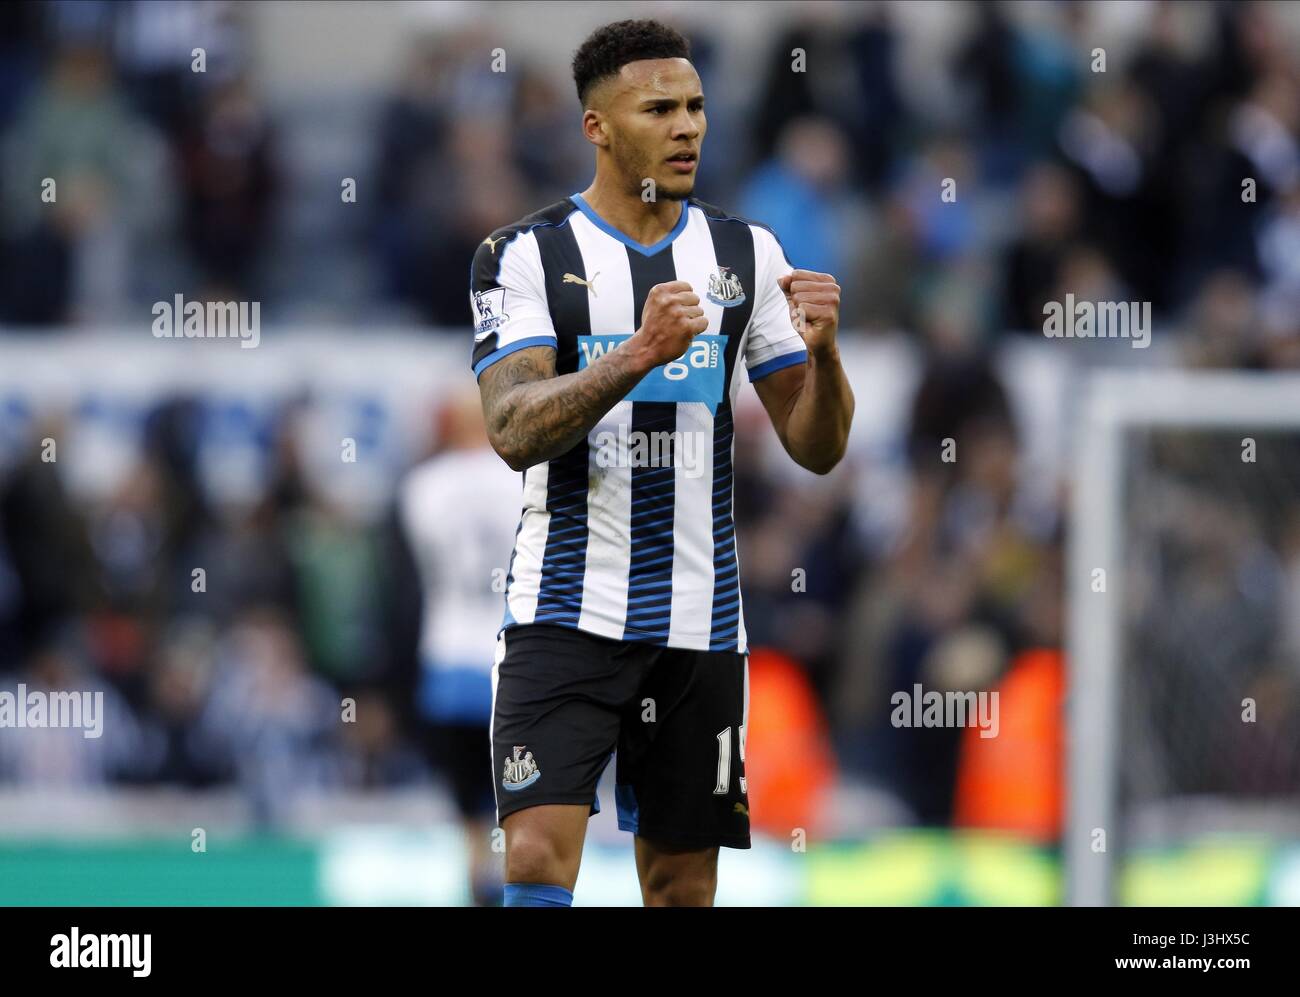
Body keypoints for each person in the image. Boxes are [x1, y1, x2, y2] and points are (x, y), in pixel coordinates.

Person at [468, 19, 854, 907]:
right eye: (660, 109)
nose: (687, 128)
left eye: (696, 107)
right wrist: (634, 355)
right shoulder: (523, 255)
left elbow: (817, 446)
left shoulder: (744, 255)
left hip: (699, 620)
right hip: (563, 607)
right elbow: (513, 427)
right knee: (532, 853)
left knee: (682, 883)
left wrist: (827, 356)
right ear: (598, 128)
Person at [398, 388, 521, 905]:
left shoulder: (422, 486)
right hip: (512, 655)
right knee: (520, 798)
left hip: (447, 656)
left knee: (467, 810)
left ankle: (478, 885)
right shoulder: (522, 476)